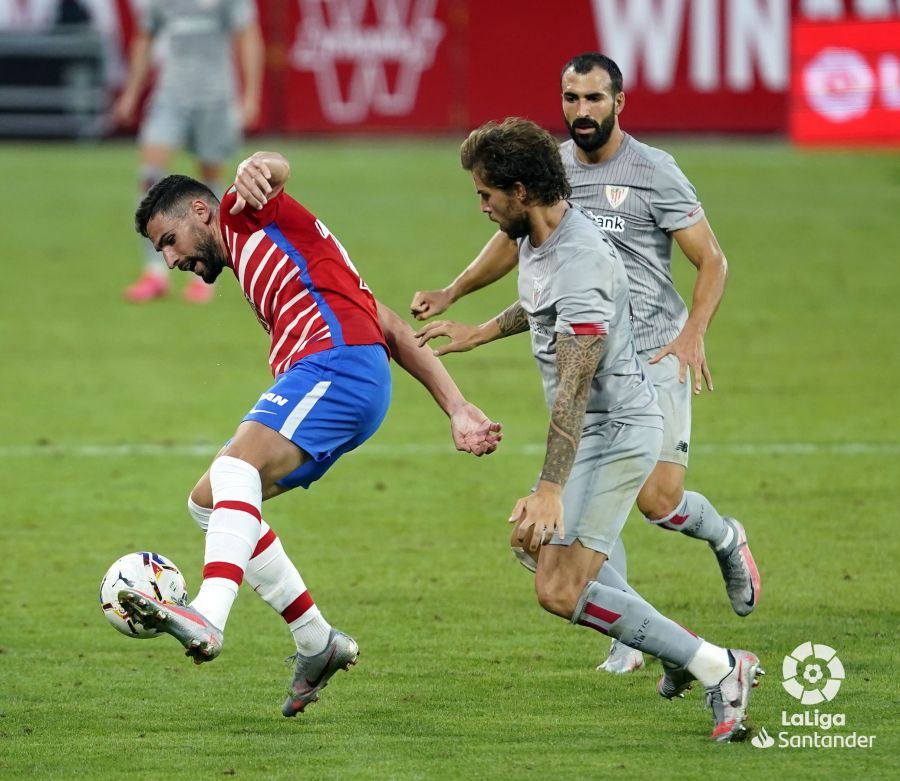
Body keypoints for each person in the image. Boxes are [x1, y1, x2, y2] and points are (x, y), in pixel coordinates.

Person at [117, 150, 503, 717]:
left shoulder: (241, 212)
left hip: (338, 367)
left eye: (168, 241)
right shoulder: (289, 258)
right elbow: (390, 323)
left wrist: (259, 165)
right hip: (344, 372)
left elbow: (273, 169)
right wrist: (457, 405)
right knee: (209, 502)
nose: (170, 260)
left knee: (233, 471)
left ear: (200, 210)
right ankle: (316, 641)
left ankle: (207, 614)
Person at [410, 52, 759, 673]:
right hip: (592, 359)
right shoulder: (552, 178)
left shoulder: (654, 172)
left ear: (619, 102)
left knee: (655, 501)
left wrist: (693, 334)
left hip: (650, 351)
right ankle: (657, 641)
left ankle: (721, 551)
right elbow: (532, 268)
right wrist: (462, 303)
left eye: (594, 98)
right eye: (571, 98)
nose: (581, 111)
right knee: (545, 540)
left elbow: (713, 260)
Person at [113, 0, 264, 304]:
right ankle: (155, 271)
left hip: (215, 97)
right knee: (150, 176)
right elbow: (145, 37)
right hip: (171, 94)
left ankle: (205, 273)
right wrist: (131, 93)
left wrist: (250, 95)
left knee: (210, 186)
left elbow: (248, 35)